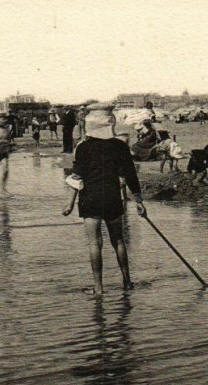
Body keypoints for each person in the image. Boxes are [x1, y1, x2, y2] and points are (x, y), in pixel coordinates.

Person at [61, 105, 146, 295]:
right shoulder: (120, 146)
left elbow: (77, 178)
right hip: (112, 196)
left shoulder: (83, 147)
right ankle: (127, 282)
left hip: (90, 198)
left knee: (94, 243)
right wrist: (139, 200)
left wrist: (69, 204)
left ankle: (98, 288)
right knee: (119, 241)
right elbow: (130, 174)